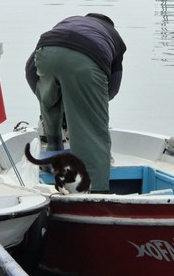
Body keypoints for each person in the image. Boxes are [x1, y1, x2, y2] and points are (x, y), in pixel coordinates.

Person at [25, 13, 126, 193]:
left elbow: (30, 69)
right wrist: (88, 106)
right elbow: (113, 88)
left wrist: (46, 97)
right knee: (92, 129)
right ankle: (96, 193)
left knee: (50, 104)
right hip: (88, 58)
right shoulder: (114, 37)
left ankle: (54, 154)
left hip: (46, 52)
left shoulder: (68, 22)